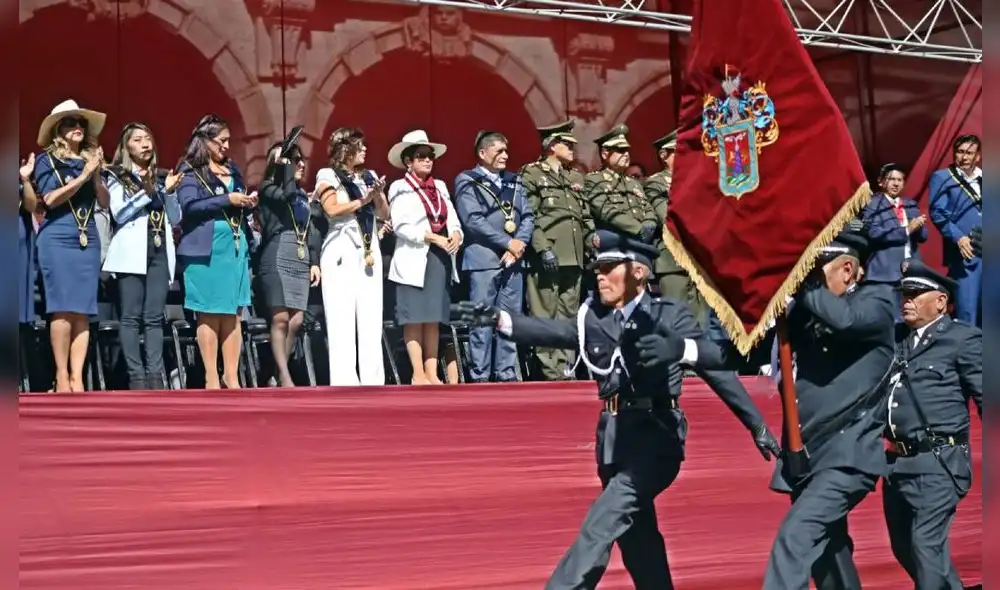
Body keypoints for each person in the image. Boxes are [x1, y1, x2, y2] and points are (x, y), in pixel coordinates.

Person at [456, 229, 780, 589]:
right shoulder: (594, 316)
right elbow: (554, 331)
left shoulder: (668, 316)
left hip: (656, 436)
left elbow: (715, 371)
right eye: (597, 267)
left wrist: (756, 424)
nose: (599, 274)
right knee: (639, 541)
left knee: (603, 521)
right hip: (613, 438)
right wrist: (498, 320)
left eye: (609, 267)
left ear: (638, 273)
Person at [681, 229, 897, 590]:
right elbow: (740, 353)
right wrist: (683, 350)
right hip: (808, 455)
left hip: (847, 452)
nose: (805, 278)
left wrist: (796, 280)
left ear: (847, 269)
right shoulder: (804, 314)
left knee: (795, 539)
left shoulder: (877, 302)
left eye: (814, 269)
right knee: (830, 557)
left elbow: (844, 321)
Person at [883, 259, 981, 590]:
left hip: (939, 461)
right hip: (896, 464)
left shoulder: (960, 339)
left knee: (925, 544)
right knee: (908, 549)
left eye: (914, 294)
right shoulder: (897, 339)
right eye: (904, 294)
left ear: (941, 301)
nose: (906, 300)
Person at [32, 99, 110, 393]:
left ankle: (77, 377)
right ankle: (61, 376)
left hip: (87, 237)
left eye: (81, 124)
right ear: (58, 131)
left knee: (82, 310)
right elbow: (50, 200)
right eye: (70, 123)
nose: (78, 128)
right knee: (62, 308)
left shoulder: (90, 162)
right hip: (58, 237)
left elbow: (104, 202)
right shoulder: (47, 161)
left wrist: (97, 175)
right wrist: (83, 175)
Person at [175, 114, 257, 390]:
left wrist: (247, 201)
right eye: (221, 140)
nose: (226, 146)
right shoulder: (189, 170)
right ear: (205, 141)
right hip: (205, 251)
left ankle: (231, 376)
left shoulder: (232, 169)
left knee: (234, 313)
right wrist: (227, 199)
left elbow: (238, 200)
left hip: (235, 248)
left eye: (228, 141)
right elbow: (190, 206)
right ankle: (211, 374)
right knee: (208, 312)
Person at [102, 122, 183, 390]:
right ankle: (136, 376)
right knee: (131, 316)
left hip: (159, 250)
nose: (145, 144)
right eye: (138, 140)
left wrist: (168, 192)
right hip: (131, 252)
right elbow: (119, 213)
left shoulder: (161, 177)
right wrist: (145, 193)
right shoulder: (117, 176)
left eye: (148, 139)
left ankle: (155, 375)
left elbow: (175, 218)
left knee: (153, 316)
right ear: (127, 147)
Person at [454, 130, 535, 383]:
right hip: (483, 261)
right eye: (499, 151)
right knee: (481, 321)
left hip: (513, 261)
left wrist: (519, 244)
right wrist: (508, 242)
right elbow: (473, 220)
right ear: (482, 153)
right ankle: (480, 375)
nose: (505, 156)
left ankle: (506, 373)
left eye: (506, 151)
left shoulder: (514, 180)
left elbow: (529, 216)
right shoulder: (467, 179)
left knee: (509, 320)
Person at [386, 130, 463, 385]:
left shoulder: (439, 185)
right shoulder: (399, 186)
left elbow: (451, 215)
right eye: (421, 156)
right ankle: (417, 373)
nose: (428, 160)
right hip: (414, 256)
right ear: (409, 161)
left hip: (439, 258)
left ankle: (432, 372)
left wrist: (455, 233)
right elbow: (400, 225)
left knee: (433, 316)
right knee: (413, 317)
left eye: (430, 156)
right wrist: (431, 237)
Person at [314, 127, 389, 386]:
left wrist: (377, 196)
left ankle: (373, 381)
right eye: (360, 145)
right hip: (341, 249)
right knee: (341, 318)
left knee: (371, 318)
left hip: (369, 249)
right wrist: (362, 200)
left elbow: (384, 215)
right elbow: (332, 209)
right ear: (344, 149)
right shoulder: (327, 174)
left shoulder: (369, 176)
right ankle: (345, 382)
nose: (365, 150)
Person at [520, 120, 594, 380]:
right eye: (567, 143)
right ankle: (551, 372)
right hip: (548, 254)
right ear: (552, 146)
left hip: (573, 256)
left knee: (568, 316)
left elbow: (583, 215)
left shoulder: (575, 177)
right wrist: (542, 248)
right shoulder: (532, 174)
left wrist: (591, 239)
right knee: (544, 314)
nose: (573, 148)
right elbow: (529, 215)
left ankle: (565, 368)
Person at [256, 139, 322, 387]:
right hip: (277, 254)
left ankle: (274, 371)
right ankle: (284, 376)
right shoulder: (268, 188)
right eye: (295, 161)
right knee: (281, 318)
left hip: (300, 255)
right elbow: (284, 195)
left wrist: (314, 261)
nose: (301, 164)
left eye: (302, 160)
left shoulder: (303, 197)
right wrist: (284, 170)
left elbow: (312, 230)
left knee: (296, 320)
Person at [644, 130, 708, 327]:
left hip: (699, 258)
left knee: (703, 320)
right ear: (664, 156)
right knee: (675, 318)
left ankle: (700, 357)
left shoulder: (695, 180)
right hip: (672, 260)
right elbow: (668, 216)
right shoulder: (656, 183)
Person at [928, 134, 982, 327]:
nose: (964, 157)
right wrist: (958, 237)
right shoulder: (943, 177)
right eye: (960, 152)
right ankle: (970, 354)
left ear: (978, 156)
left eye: (969, 153)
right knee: (968, 308)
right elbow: (937, 212)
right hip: (966, 252)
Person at [861, 163, 927, 314]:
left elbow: (923, 237)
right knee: (889, 317)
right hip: (885, 271)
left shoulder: (910, 205)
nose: (896, 183)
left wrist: (919, 226)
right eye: (892, 179)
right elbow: (873, 232)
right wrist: (906, 230)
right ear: (881, 181)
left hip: (911, 269)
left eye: (900, 180)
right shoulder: (872, 204)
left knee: (910, 316)